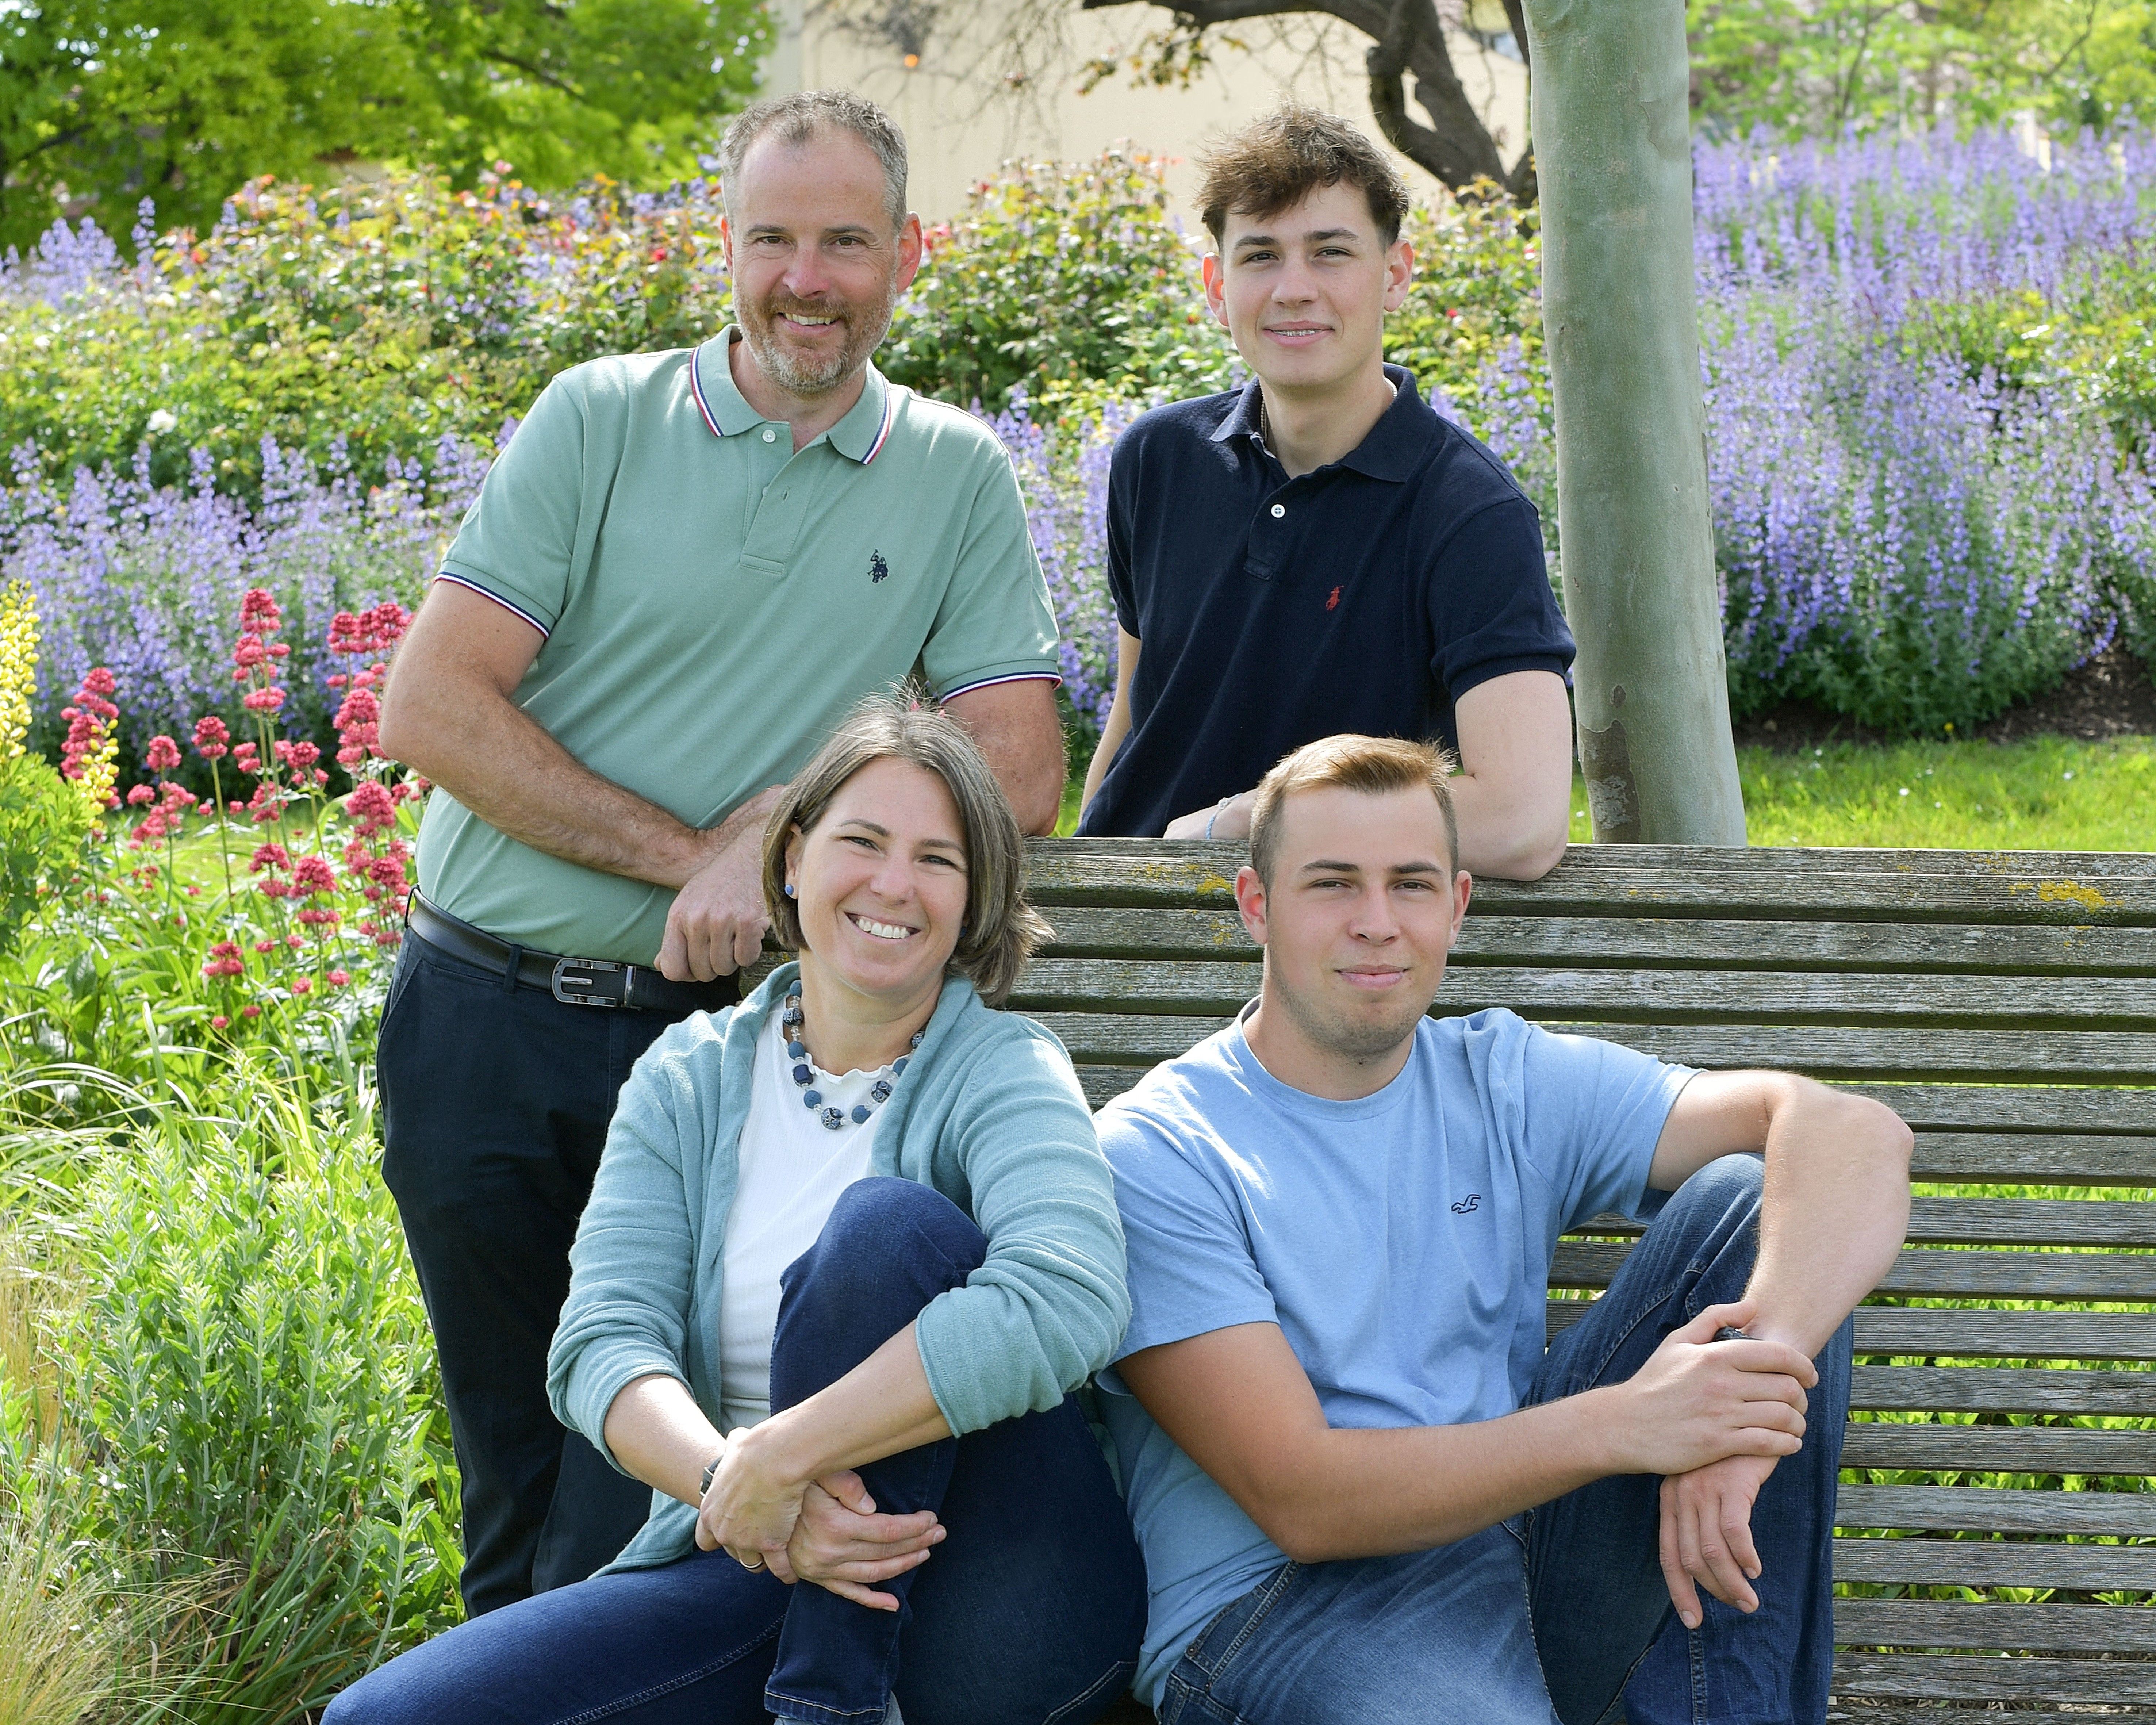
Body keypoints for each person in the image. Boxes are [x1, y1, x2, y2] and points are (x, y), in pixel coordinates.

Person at [372, 88, 1068, 1616]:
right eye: (772, 238)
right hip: (482, 1019)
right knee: (509, 1461)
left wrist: (761, 849)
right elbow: (430, 702)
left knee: (650, 1479)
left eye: (843, 241)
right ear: (726, 246)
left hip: (719, 1045)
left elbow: (1017, 769)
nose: (804, 277)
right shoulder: (599, 417)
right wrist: (682, 851)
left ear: (904, 255)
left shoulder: (952, 473)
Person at [330, 693, 1146, 1725]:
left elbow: (1067, 1296)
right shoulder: (689, 1077)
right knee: (387, 1718)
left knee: (882, 1233)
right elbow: (602, 1345)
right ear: (793, 856)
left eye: (939, 858)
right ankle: (827, 1682)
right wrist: (736, 1479)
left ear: (975, 896)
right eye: (863, 840)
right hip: (767, 1559)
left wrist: (784, 1451)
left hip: (1007, 1590)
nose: (895, 883)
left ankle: (826, 1707)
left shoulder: (1005, 1069)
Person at [1095, 733, 1913, 1725]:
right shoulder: (1161, 1148)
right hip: (1285, 1608)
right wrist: (1632, 1421)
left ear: (1458, 904)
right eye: (1331, 884)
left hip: (1521, 1547)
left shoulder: (1500, 1076)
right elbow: (1301, 1499)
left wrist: (1741, 1398)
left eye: (1409, 884)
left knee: (1750, 1203)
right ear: (1256, 904)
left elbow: (1852, 1133)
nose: (1376, 922)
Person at [1075, 104, 1574, 880]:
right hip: (1124, 906)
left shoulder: (1468, 513)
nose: (1294, 288)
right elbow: (1139, 708)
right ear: (1217, 285)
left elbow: (1521, 819)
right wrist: (1092, 857)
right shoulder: (1157, 458)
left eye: (1330, 252)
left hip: (1320, 936)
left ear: (1396, 273)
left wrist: (1243, 821)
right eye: (1261, 256)